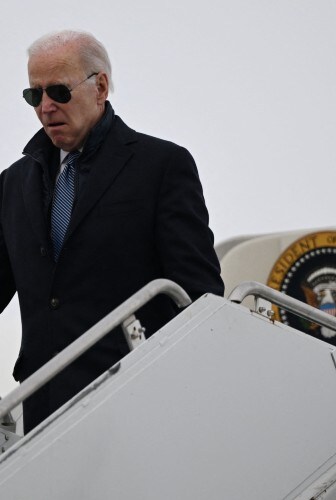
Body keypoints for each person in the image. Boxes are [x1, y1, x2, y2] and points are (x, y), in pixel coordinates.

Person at [0, 30, 224, 433]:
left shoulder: (160, 166)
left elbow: (198, 295)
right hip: (42, 408)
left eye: (59, 92)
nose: (46, 107)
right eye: (35, 95)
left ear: (100, 87)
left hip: (137, 402)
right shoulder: (13, 183)